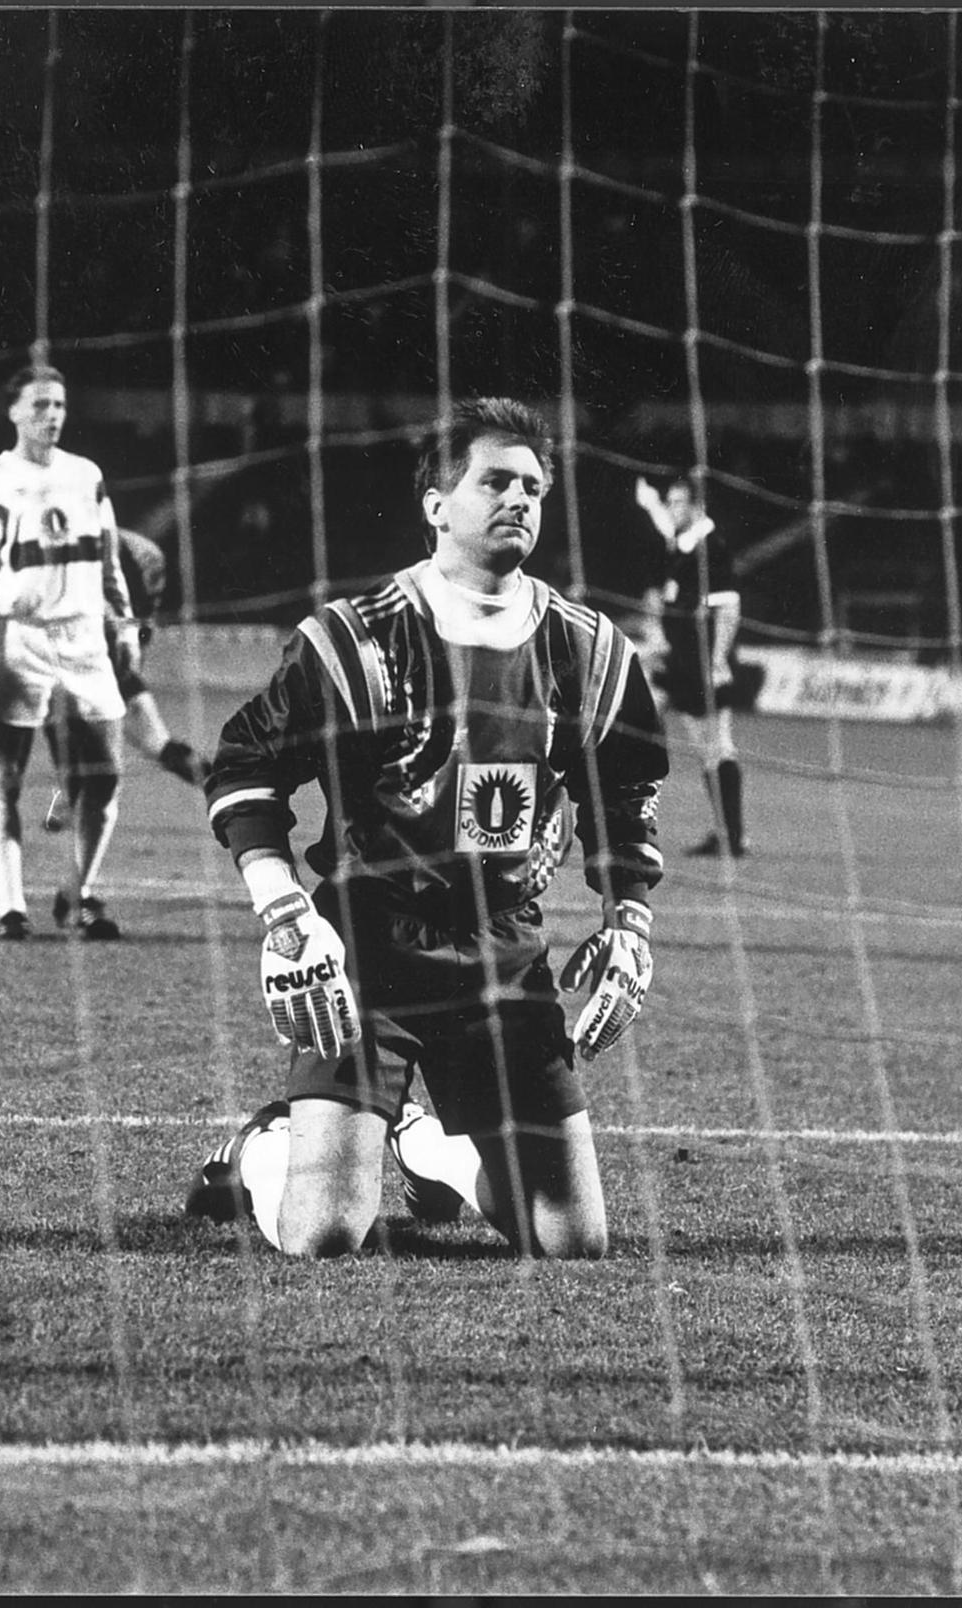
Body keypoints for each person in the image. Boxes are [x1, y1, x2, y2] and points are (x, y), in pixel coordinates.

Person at [186, 397, 668, 1260]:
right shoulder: (353, 642)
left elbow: (623, 791)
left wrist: (628, 921)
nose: (517, 498)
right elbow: (245, 768)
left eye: (532, 486)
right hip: (369, 947)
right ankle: (262, 1149)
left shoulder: (590, 652)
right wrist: (285, 912)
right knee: (325, 1235)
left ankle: (425, 1148)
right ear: (437, 504)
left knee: (573, 1240)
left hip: (503, 954)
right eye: (494, 481)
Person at [0, 363, 136, 941]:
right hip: (19, 637)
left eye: (58, 405)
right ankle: (11, 907)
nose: (51, 415)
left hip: (84, 639)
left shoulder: (87, 475)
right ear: (12, 412)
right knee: (7, 774)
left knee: (106, 773)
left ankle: (76, 893)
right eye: (39, 405)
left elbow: (109, 559)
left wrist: (125, 625)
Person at [42, 525, 210, 833]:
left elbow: (135, 624)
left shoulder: (116, 557)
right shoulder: (113, 557)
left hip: (102, 666)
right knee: (154, 743)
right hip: (105, 662)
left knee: (64, 720)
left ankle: (69, 796)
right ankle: (223, 787)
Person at [637, 473, 748, 858]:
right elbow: (668, 525)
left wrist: (718, 661)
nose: (672, 510)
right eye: (669, 503)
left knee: (717, 748)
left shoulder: (711, 548)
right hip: (679, 661)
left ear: (697, 506)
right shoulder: (683, 542)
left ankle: (732, 837)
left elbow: (729, 608)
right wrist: (650, 503)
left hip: (704, 663)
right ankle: (726, 834)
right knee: (701, 747)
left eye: (678, 503)